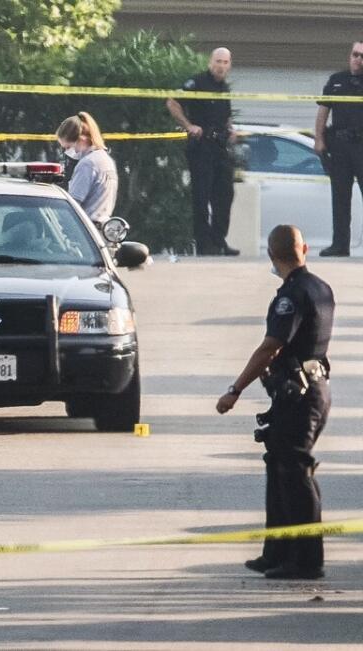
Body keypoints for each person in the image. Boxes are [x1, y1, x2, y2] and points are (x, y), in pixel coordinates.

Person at [216, 225, 332, 580]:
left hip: (300, 393)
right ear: (305, 248)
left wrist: (235, 389)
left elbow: (271, 347)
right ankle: (277, 551)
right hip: (308, 390)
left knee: (294, 472)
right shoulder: (320, 287)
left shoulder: (291, 296)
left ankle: (307, 559)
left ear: (271, 254)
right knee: (278, 467)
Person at [167, 47, 239, 256]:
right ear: (210, 62)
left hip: (221, 146)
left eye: (226, 62)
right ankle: (204, 244)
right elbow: (172, 103)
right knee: (202, 196)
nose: (221, 66)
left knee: (225, 194)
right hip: (202, 146)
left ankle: (219, 240)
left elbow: (225, 114)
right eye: (218, 61)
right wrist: (189, 125)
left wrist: (231, 128)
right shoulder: (196, 82)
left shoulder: (224, 87)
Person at [314, 41, 363, 257]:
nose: (358, 60)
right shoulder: (336, 81)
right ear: (349, 56)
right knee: (340, 198)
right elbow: (323, 111)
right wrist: (319, 139)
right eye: (355, 55)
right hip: (340, 147)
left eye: (362, 56)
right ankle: (339, 245)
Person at [55, 112, 118, 221]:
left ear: (81, 139)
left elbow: (73, 206)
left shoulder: (87, 164)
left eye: (67, 147)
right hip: (102, 229)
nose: (66, 152)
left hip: (84, 229)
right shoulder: (106, 160)